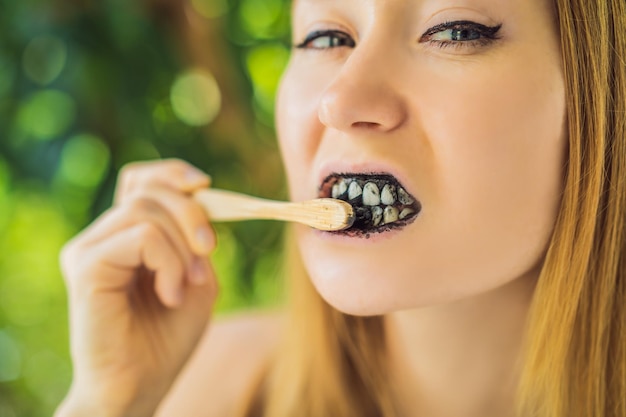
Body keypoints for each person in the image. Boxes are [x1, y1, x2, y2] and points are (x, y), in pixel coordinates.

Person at [54, 0, 625, 416]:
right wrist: (108, 403)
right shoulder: (213, 389)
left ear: (601, 95)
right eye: (326, 37)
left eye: (453, 30)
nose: (341, 101)